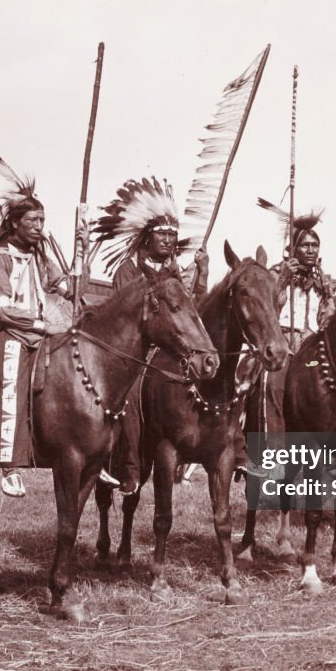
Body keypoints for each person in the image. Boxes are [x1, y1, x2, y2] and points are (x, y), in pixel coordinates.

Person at [91, 177, 209, 494]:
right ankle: (129, 468)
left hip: (169, 351)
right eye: (163, 235)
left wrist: (202, 273)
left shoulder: (176, 272)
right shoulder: (129, 269)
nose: (169, 240)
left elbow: (189, 312)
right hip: (135, 354)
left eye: (173, 235)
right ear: (148, 236)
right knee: (128, 397)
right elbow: (122, 319)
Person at [0, 151, 86, 498]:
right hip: (13, 334)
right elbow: (5, 309)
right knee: (12, 385)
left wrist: (75, 273)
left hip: (44, 331)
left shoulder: (40, 252)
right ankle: (9, 467)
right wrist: (41, 324)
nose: (40, 227)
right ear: (15, 224)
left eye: (43, 220)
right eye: (34, 221)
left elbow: (62, 284)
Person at [242, 201, 336, 478]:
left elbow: (328, 317)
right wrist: (283, 279)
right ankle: (271, 455)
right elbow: (269, 307)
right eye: (305, 245)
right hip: (281, 343)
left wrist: (329, 304)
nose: (310, 250)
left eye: (314, 246)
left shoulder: (324, 281)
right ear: (293, 248)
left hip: (310, 348)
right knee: (271, 387)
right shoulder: (275, 274)